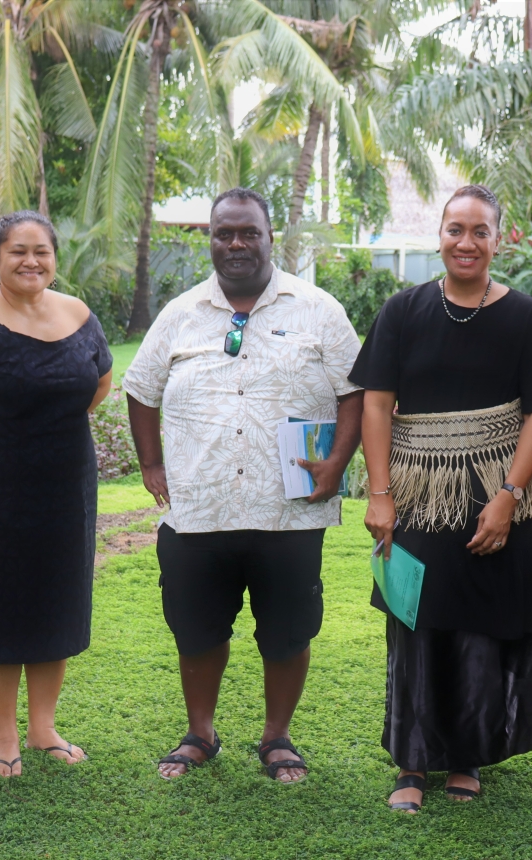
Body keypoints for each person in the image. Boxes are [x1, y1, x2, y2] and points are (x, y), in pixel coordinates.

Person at [123, 187, 363, 783]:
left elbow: (354, 392)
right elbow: (140, 387)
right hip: (198, 509)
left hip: (290, 507)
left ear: (269, 236)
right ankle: (199, 734)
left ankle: (277, 738)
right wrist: (151, 463)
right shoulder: (178, 314)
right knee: (197, 628)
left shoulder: (318, 310)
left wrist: (336, 461)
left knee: (287, 630)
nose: (235, 243)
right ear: (209, 239)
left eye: (247, 232)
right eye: (223, 233)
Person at [351, 185, 532, 813]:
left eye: (479, 231)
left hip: (502, 491)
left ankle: (468, 755)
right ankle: (413, 760)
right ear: (439, 236)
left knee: (482, 624)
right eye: (454, 229)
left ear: (500, 239)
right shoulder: (402, 311)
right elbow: (376, 404)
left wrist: (508, 495)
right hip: (419, 494)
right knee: (417, 618)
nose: (465, 242)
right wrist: (380, 493)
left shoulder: (526, 317)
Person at [0, 211, 112, 777]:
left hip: (64, 492)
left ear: (54, 258)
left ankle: (43, 729)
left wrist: (46, 427)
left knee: (55, 606)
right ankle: (5, 737)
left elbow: (99, 380)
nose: (31, 261)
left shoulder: (78, 314)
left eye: (41, 251)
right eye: (17, 251)